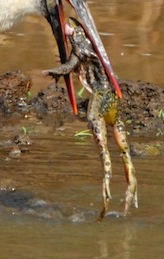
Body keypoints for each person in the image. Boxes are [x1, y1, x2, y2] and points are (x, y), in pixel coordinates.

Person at [46, 18, 137, 219]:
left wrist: (53, 72)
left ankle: (107, 177)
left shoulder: (81, 46)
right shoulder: (88, 45)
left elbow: (69, 66)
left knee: (96, 126)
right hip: (111, 95)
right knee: (123, 147)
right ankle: (130, 183)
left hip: (101, 93)